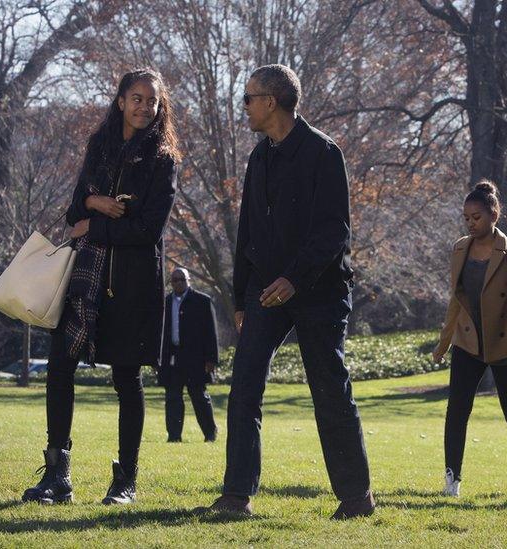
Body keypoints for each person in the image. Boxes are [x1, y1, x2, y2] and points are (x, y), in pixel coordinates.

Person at [195, 64, 373, 519]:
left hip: (318, 291)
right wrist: (240, 299)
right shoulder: (260, 157)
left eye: (249, 98)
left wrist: (295, 278)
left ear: (272, 101)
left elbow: (335, 232)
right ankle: (237, 495)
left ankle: (356, 499)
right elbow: (248, 232)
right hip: (264, 294)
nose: (245, 107)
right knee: (244, 386)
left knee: (329, 389)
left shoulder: (323, 153)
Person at [21, 68, 180, 505]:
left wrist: (96, 225)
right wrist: (93, 204)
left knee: (127, 379)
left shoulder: (163, 160)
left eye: (151, 100)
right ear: (120, 100)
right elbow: (73, 214)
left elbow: (149, 231)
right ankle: (57, 476)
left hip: (131, 287)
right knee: (59, 367)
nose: (144, 107)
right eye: (136, 98)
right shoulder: (101, 145)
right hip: (84, 280)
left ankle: (125, 481)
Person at [432, 181, 507, 499]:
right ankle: (451, 481)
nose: (471, 223)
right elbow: (456, 300)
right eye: (466, 217)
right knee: (456, 412)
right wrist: (443, 344)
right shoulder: (459, 248)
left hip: (506, 346)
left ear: (494, 214)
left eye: (477, 217)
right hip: (468, 342)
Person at [162, 267, 219, 443]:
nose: (178, 283)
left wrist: (211, 359)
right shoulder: (166, 302)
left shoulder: (202, 301)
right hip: (173, 357)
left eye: (182, 279)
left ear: (189, 281)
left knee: (199, 397)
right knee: (172, 397)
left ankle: (210, 433)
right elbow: (161, 333)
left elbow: (211, 332)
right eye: (175, 280)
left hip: (196, 358)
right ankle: (174, 436)